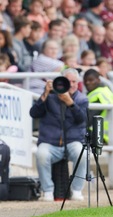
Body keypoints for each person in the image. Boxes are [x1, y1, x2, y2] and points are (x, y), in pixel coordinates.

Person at [30, 68, 88, 201]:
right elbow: (34, 113)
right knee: (41, 154)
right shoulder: (49, 96)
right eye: (68, 81)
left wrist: (70, 103)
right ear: (60, 82)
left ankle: (76, 190)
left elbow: (82, 120)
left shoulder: (81, 98)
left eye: (74, 81)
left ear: (78, 83)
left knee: (83, 154)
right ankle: (48, 191)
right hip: (50, 141)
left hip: (73, 141)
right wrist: (45, 94)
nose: (71, 84)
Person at [84, 69, 113, 143]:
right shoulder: (106, 91)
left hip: (100, 136)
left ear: (98, 80)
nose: (87, 83)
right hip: (109, 136)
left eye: (90, 80)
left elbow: (87, 120)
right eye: (85, 80)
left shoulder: (98, 95)